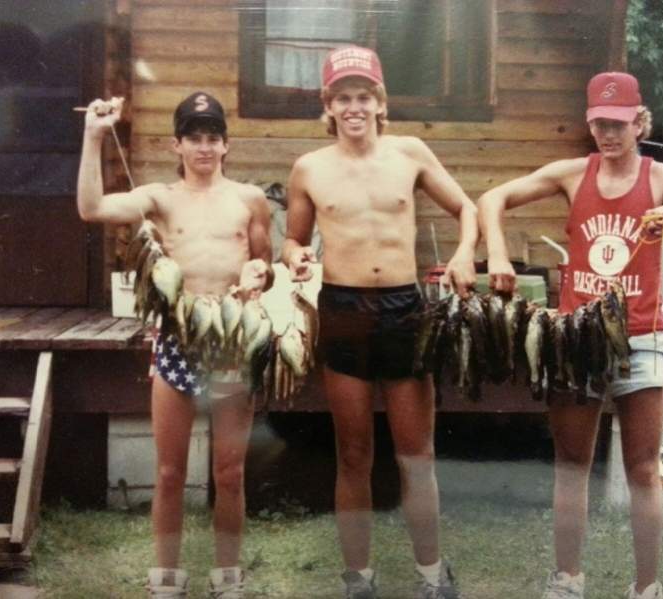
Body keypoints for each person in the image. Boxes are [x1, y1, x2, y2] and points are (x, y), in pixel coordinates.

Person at [478, 71, 663, 599]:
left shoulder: (662, 177)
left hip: (643, 337)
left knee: (643, 468)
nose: (610, 134)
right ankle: (567, 580)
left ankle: (647, 586)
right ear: (589, 122)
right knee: (573, 463)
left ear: (638, 122)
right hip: (577, 339)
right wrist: (492, 250)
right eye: (600, 123)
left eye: (620, 124)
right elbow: (494, 199)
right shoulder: (573, 174)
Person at [282, 45, 478, 599]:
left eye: (363, 96)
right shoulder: (310, 168)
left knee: (416, 454)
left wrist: (464, 254)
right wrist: (294, 254)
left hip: (404, 310)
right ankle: (358, 580)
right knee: (353, 453)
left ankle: (431, 577)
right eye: (342, 97)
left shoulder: (409, 153)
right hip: (343, 310)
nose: (354, 107)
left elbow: (465, 208)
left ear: (379, 102)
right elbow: (293, 237)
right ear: (328, 104)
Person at [77, 92, 274, 598]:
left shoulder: (250, 199)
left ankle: (227, 577)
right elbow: (92, 208)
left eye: (213, 138)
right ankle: (166, 578)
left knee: (229, 473)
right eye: (194, 137)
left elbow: (265, 267)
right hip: (178, 343)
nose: (204, 147)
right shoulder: (160, 198)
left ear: (226, 145)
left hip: (231, 341)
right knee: (168, 472)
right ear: (177, 144)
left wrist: (259, 273)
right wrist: (94, 135)